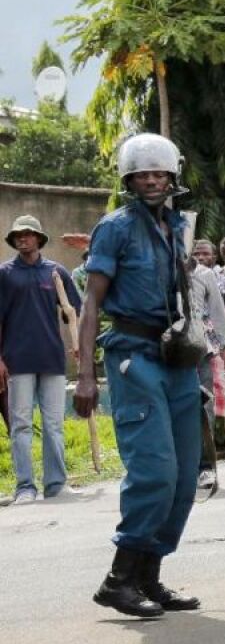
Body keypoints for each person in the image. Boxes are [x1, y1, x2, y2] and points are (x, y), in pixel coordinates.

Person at [74, 134, 204, 618]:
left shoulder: (175, 228)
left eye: (159, 174)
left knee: (186, 476)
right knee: (155, 471)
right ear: (129, 181)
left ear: (173, 178)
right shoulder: (115, 228)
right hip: (132, 355)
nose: (152, 181)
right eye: (142, 175)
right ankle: (118, 579)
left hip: (175, 358)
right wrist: (86, 375)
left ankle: (149, 576)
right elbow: (90, 305)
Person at [0, 215, 83, 505]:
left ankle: (56, 484)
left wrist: (77, 339)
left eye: (28, 234)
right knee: (21, 424)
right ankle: (25, 487)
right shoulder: (5, 273)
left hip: (52, 359)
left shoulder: (56, 272)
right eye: (18, 235)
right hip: (17, 359)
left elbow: (72, 311)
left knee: (54, 424)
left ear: (38, 238)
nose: (23, 238)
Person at [193, 239, 225, 464]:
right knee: (201, 401)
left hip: (218, 346)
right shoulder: (188, 279)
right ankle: (204, 454)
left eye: (205, 254)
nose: (201, 258)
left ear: (214, 257)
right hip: (194, 347)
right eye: (197, 254)